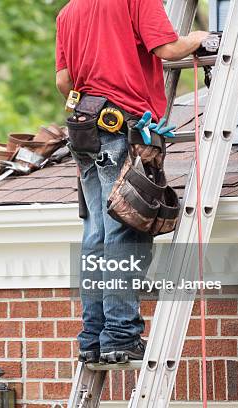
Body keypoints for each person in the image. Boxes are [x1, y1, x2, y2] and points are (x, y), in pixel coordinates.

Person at [55, 0, 209, 363]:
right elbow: (168, 49)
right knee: (124, 228)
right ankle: (121, 335)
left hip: (84, 127)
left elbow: (64, 81)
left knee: (96, 234)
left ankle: (93, 337)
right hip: (118, 126)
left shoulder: (69, 11)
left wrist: (92, 94)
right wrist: (200, 37)